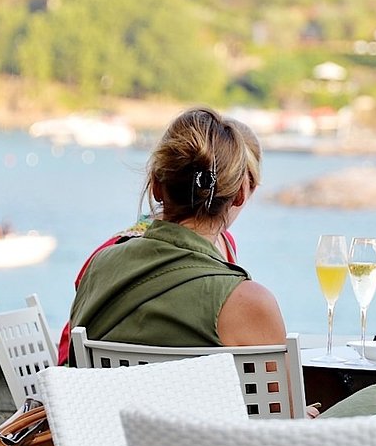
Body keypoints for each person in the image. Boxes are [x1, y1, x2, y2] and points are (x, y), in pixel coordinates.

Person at [68, 107, 285, 355]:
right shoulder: (250, 304)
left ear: (156, 188)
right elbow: (279, 394)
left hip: (103, 395)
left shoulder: (98, 268)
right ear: (240, 195)